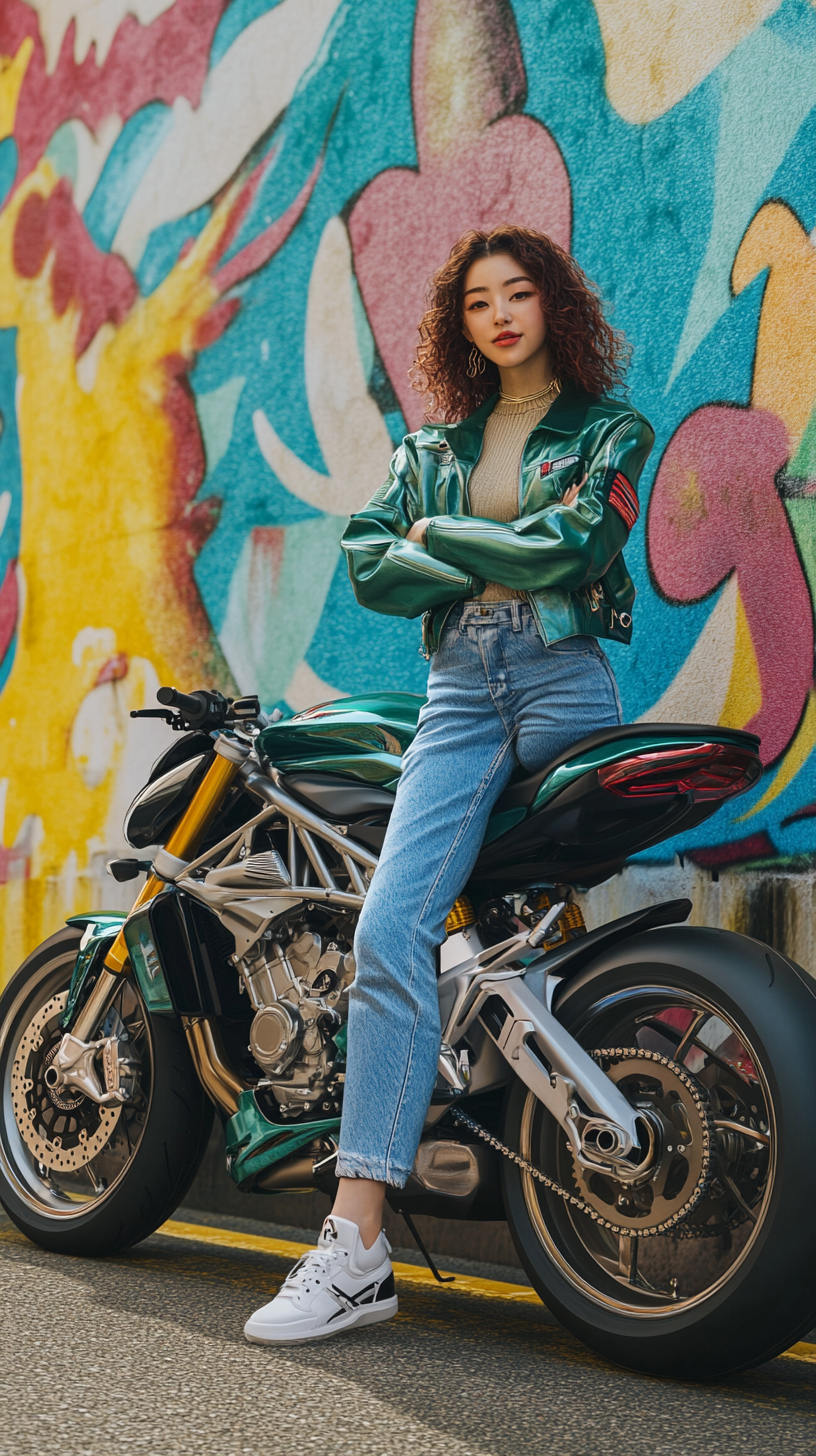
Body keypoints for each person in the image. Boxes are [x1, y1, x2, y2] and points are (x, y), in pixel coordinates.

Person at [244, 225, 654, 1345]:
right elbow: (373, 564)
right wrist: (492, 539)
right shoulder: (430, 446)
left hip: (564, 684)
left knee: (532, 917)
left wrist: (451, 536)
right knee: (392, 929)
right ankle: (358, 1241)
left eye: (521, 292)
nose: (502, 313)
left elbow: (575, 549)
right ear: (462, 323)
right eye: (480, 301)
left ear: (552, 305)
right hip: (462, 695)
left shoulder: (611, 430)